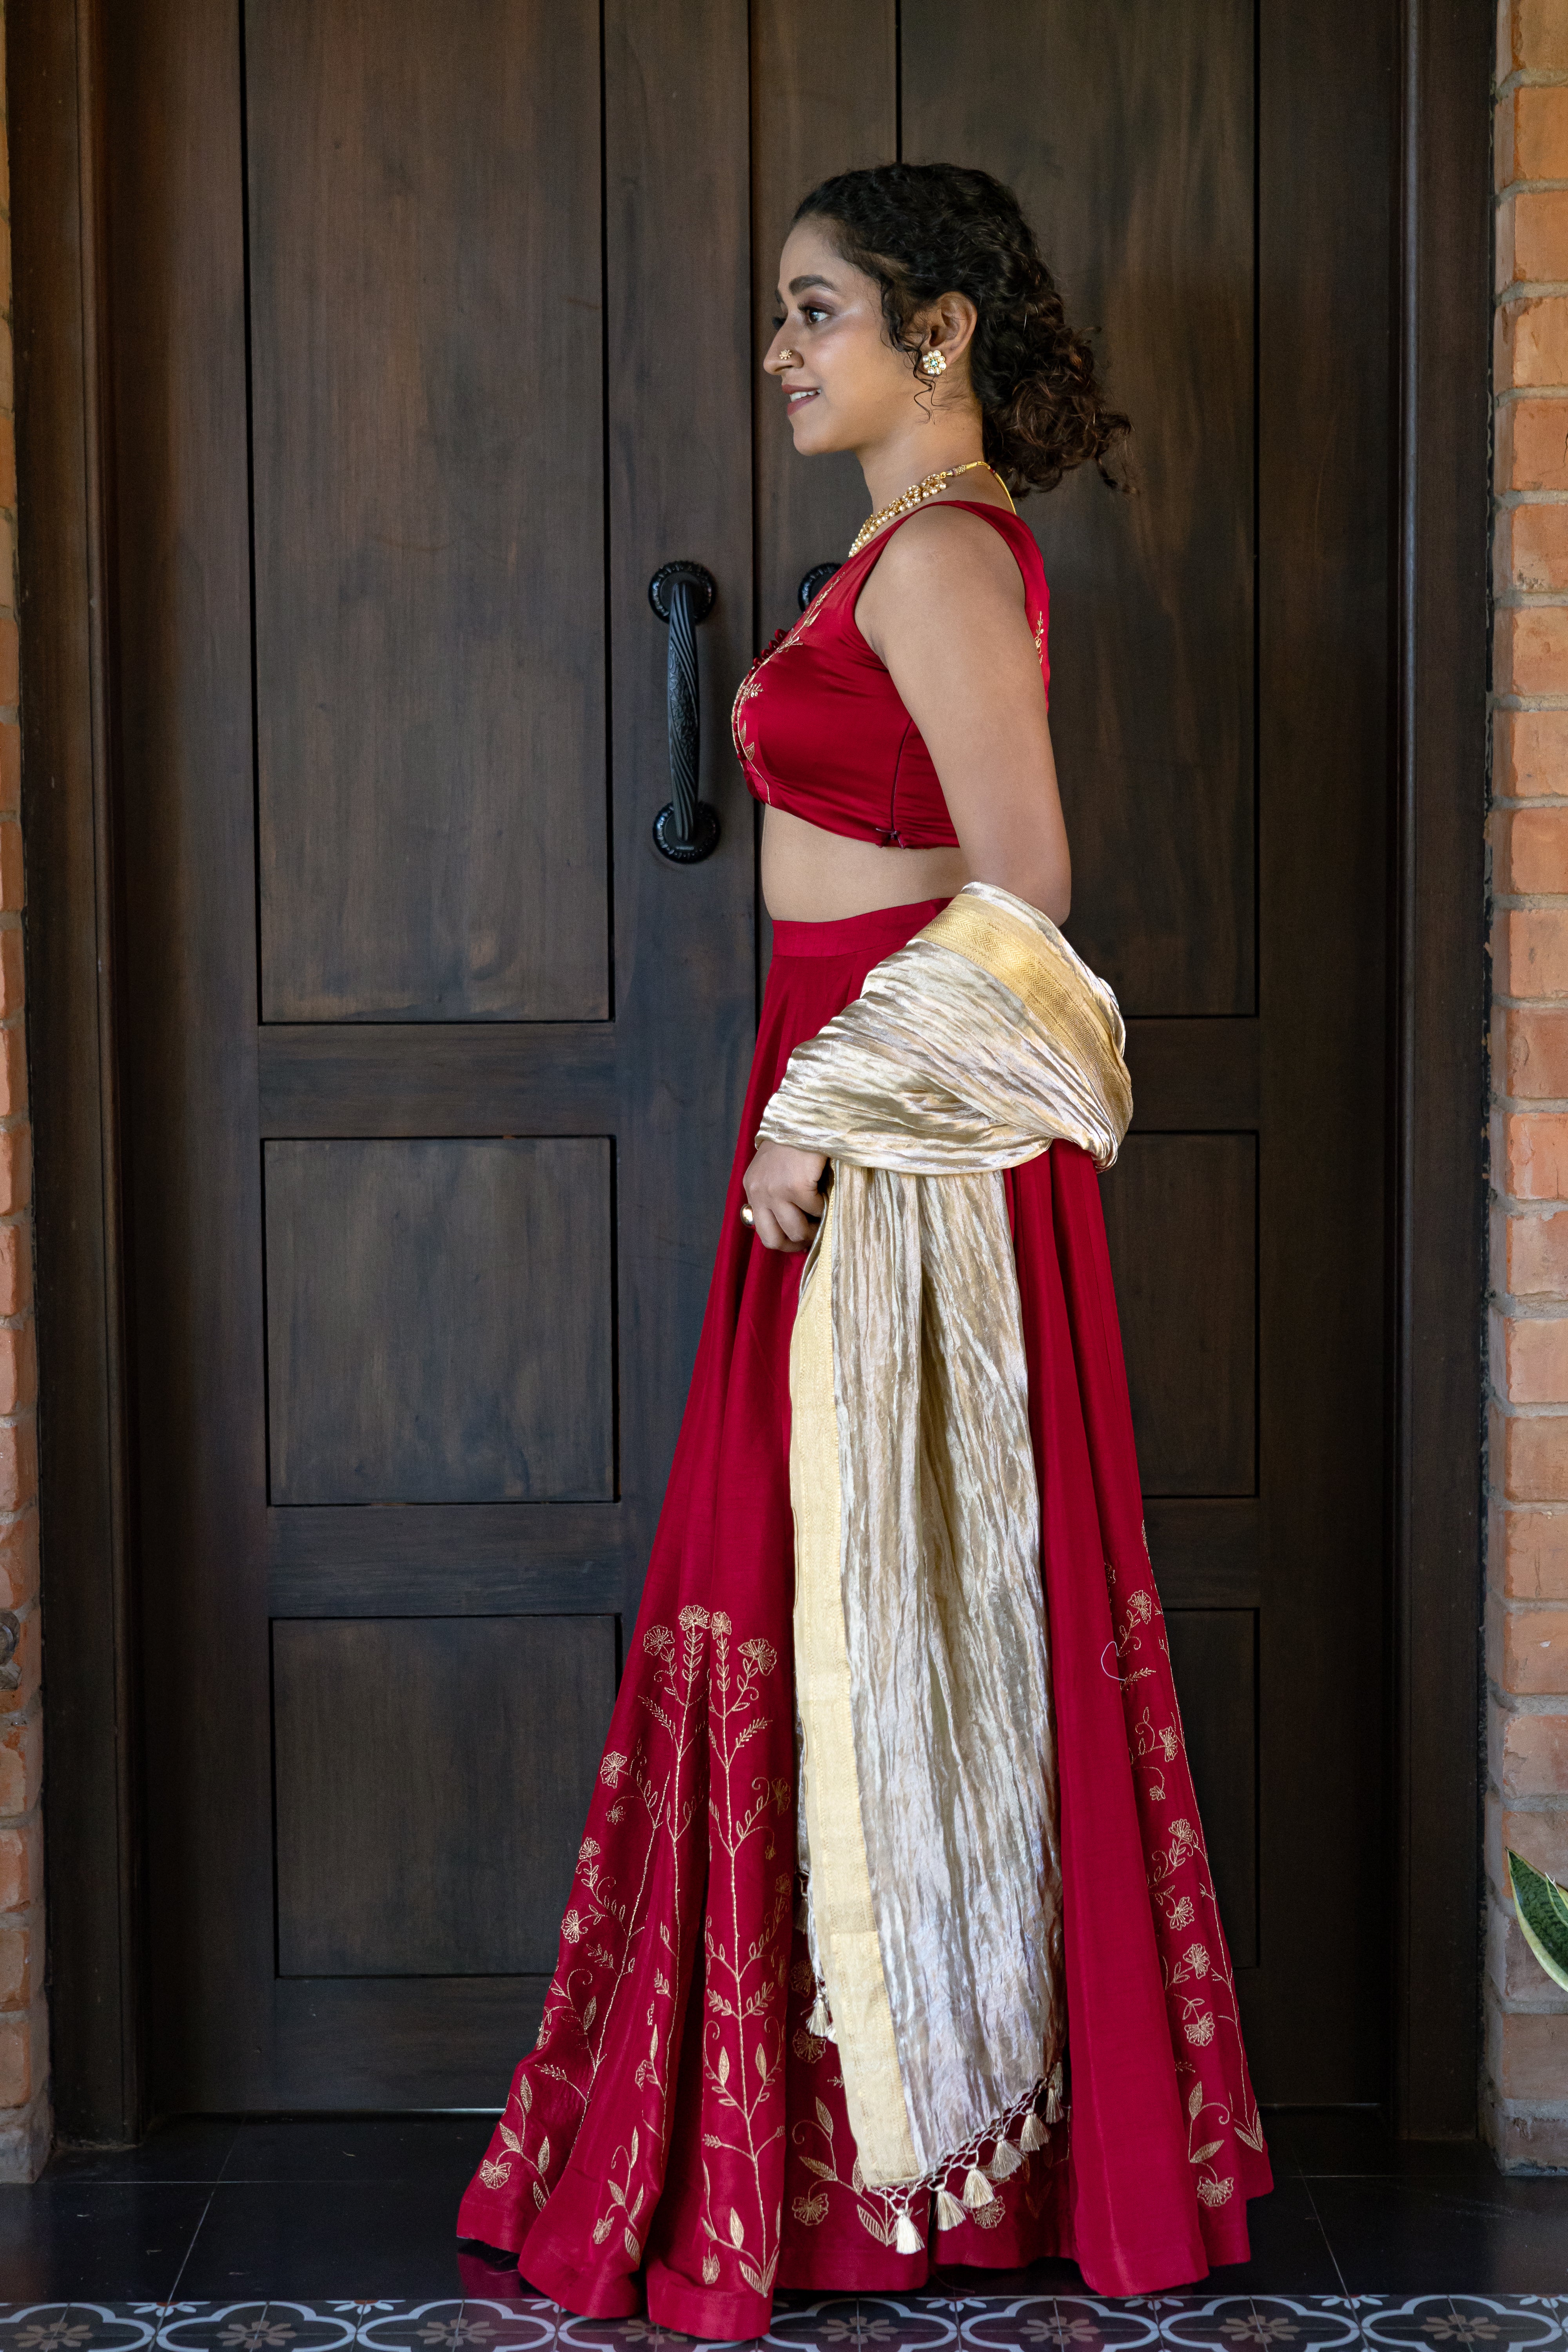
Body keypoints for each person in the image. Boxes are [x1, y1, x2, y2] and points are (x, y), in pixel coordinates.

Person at [457, 161, 1271, 2336]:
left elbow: (1025, 892)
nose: (782, 349)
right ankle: (854, 2164)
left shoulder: (940, 558)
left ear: (940, 334)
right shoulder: (897, 558)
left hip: (896, 1138)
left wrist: (834, 1112)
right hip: (832, 1098)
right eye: (786, 312)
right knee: (814, 1588)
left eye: (817, 310)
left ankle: (903, 2174)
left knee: (878, 1594)